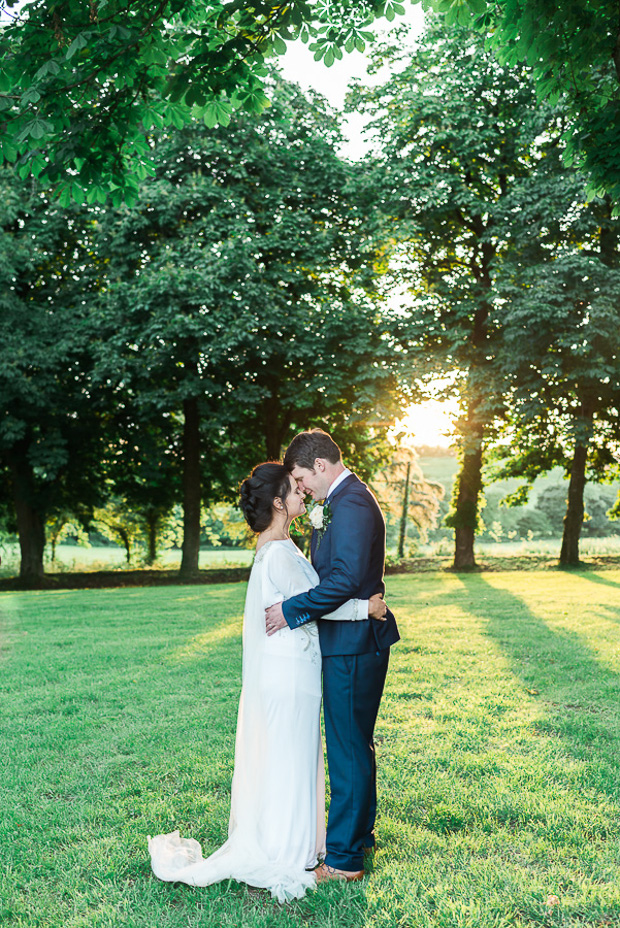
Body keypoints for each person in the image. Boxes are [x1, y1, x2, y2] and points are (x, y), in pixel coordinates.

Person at [148, 462, 387, 903]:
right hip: (290, 677)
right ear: (278, 502)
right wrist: (365, 609)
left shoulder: (278, 546)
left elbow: (306, 602)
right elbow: (318, 607)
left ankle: (300, 841)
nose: (302, 492)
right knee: (292, 759)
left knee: (291, 757)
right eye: (294, 488)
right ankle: (286, 850)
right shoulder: (278, 553)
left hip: (290, 672)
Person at [265, 429, 400, 883]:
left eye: (302, 476)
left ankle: (343, 860)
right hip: (350, 639)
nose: (301, 487)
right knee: (353, 743)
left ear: (320, 465)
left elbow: (342, 580)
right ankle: (358, 837)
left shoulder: (353, 503)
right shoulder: (341, 502)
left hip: (353, 644)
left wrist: (290, 611)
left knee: (346, 748)